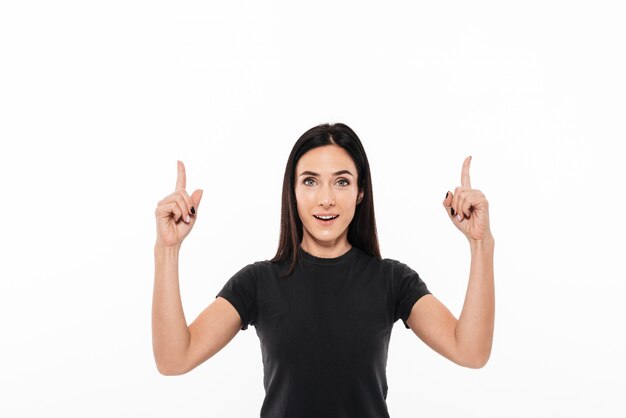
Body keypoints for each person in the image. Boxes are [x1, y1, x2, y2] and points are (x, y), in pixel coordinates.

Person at [152, 123, 495, 417]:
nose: (326, 199)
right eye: (311, 182)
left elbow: (470, 351)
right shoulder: (258, 282)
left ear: (361, 192)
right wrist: (167, 250)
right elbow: (174, 359)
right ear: (293, 191)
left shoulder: (392, 280)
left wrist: (481, 243)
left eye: (342, 182)